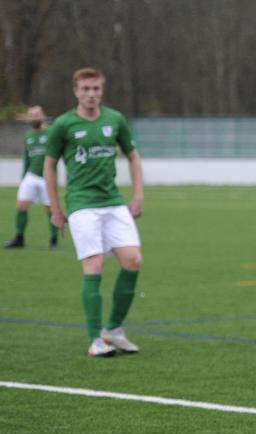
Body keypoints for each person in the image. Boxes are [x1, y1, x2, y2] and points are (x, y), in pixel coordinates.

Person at [44, 67, 144, 358]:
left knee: (133, 260)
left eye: (96, 89)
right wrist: (54, 208)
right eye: (85, 89)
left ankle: (113, 329)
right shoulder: (63, 125)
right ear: (75, 91)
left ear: (102, 90)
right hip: (82, 204)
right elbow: (49, 166)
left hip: (112, 202)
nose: (91, 94)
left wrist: (137, 195)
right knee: (95, 264)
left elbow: (133, 156)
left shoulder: (115, 120)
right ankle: (94, 340)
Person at [4, 105, 59, 250]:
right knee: (21, 206)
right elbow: (27, 158)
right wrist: (23, 177)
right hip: (31, 176)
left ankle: (54, 240)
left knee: (50, 209)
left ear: (43, 115)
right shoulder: (28, 135)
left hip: (47, 177)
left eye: (36, 115)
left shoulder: (52, 132)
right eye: (31, 115)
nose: (34, 118)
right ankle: (19, 238)